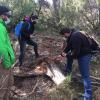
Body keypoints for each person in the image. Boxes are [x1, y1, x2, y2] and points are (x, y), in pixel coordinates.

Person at [59, 27, 94, 100]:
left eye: (63, 35)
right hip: (84, 54)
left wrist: (66, 55)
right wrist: (62, 54)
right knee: (84, 75)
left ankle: (88, 98)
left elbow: (76, 53)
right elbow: (69, 46)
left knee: (85, 76)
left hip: (84, 55)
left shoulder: (75, 36)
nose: (63, 37)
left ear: (65, 33)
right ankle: (86, 94)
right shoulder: (73, 34)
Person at [0, 5, 15, 99]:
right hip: (4, 61)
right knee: (3, 85)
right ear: (2, 15)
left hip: (7, 60)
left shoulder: (2, 26)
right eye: (7, 15)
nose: (8, 18)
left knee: (9, 82)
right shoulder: (0, 28)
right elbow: (1, 47)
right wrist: (6, 62)